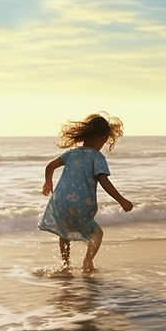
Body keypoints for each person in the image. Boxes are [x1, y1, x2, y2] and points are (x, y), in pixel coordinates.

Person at [39, 112, 133, 274]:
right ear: (97, 136)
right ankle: (87, 262)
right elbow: (104, 181)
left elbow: (49, 167)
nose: (102, 144)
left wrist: (48, 182)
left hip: (60, 201)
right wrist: (121, 200)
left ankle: (65, 264)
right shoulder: (97, 157)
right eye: (103, 140)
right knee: (97, 234)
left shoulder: (71, 153)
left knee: (64, 233)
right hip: (81, 204)